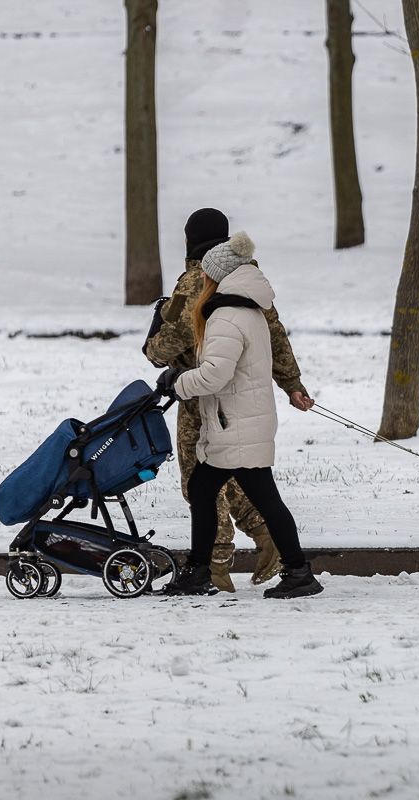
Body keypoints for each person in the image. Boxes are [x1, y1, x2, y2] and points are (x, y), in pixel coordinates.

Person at [143, 208, 313, 592]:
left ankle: (216, 565)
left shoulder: (205, 287)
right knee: (226, 482)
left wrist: (162, 362)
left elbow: (183, 347)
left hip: (213, 403)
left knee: (202, 482)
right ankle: (258, 548)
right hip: (237, 404)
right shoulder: (251, 283)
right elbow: (277, 335)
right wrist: (292, 383)